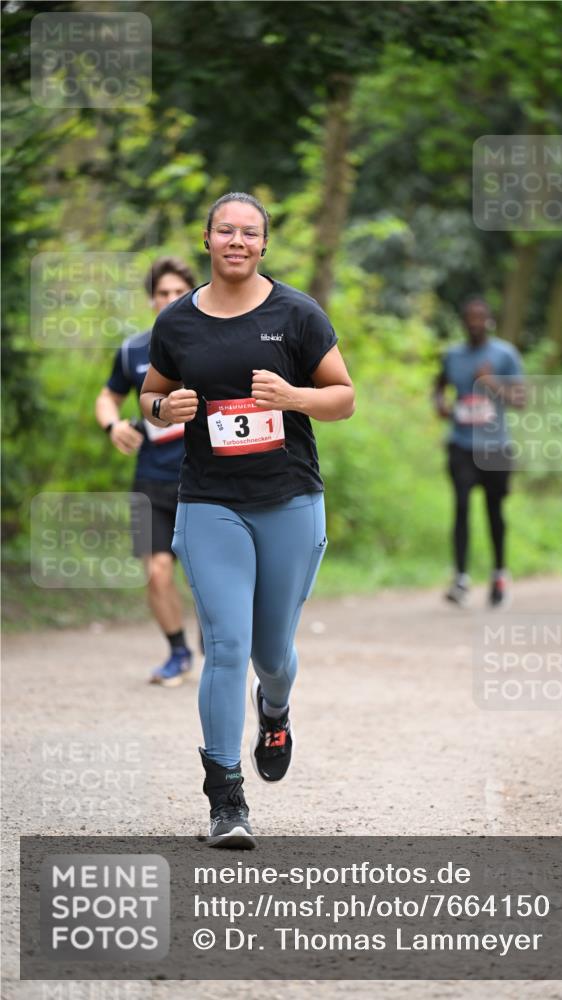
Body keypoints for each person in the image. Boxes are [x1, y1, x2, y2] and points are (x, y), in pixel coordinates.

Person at [140, 192, 355, 848]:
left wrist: (293, 397)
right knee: (227, 646)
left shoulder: (296, 315)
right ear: (207, 239)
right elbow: (150, 393)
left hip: (288, 499)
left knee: (271, 655)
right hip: (210, 502)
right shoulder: (177, 323)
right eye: (225, 230)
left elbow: (342, 397)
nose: (237, 240)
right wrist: (161, 411)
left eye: (250, 232)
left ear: (264, 244)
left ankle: (276, 708)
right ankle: (225, 798)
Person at [95, 257, 197, 686]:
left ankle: (220, 641)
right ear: (151, 299)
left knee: (210, 576)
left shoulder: (214, 341)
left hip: (204, 481)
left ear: (192, 294)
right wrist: (113, 425)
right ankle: (177, 652)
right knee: (156, 571)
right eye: (163, 294)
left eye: (179, 293)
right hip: (151, 480)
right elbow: (108, 397)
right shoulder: (134, 349)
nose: (171, 300)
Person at [433, 295, 524, 609]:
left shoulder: (504, 354)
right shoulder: (453, 355)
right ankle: (460, 578)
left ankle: (499, 575)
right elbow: (439, 385)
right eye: (469, 318)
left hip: (496, 446)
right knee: (460, 507)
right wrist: (441, 405)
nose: (475, 323)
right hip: (461, 444)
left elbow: (521, 399)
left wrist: (490, 383)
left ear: (490, 321)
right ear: (463, 322)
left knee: (494, 511)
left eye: (480, 317)